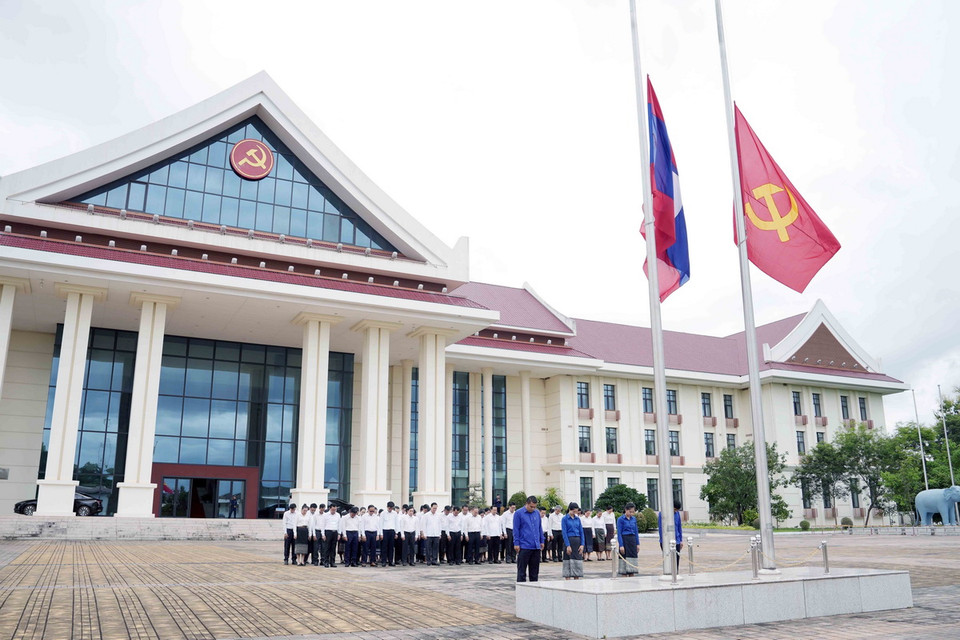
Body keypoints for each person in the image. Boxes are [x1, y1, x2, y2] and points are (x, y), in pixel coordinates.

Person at [513, 496, 544, 582]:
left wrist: (542, 540)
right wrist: (516, 543)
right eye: (531, 506)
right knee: (522, 572)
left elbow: (539, 527)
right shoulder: (519, 513)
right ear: (526, 504)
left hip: (535, 546)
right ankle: (521, 588)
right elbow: (516, 529)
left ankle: (533, 588)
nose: (533, 508)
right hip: (524, 546)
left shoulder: (537, 513)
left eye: (534, 507)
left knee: (534, 572)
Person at [561, 502, 585, 580]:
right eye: (574, 511)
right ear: (570, 510)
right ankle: (568, 581)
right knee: (567, 562)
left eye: (576, 511)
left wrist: (582, 544)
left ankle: (576, 581)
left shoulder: (578, 519)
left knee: (577, 562)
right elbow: (564, 533)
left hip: (577, 541)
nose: (575, 513)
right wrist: (568, 545)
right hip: (569, 540)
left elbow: (581, 532)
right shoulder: (564, 519)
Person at [658, 501, 684, 572]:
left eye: (677, 510)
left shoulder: (677, 514)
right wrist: (662, 541)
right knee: (668, 560)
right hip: (666, 540)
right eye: (675, 509)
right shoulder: (662, 514)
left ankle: (676, 574)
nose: (676, 511)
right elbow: (661, 528)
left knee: (676, 560)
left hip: (676, 540)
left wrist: (680, 540)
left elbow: (679, 527)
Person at [616, 502, 639, 577]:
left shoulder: (634, 519)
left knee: (632, 560)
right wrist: (621, 545)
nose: (631, 513)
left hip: (632, 540)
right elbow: (619, 533)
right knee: (624, 560)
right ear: (626, 510)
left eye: (633, 512)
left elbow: (636, 532)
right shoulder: (620, 519)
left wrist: (638, 544)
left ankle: (632, 575)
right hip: (625, 539)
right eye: (630, 511)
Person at [380, 501, 399, 567]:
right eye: (389, 508)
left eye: (391, 508)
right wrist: (381, 533)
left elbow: (396, 523)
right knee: (384, 547)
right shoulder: (383, 513)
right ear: (387, 507)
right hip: (385, 531)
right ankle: (384, 561)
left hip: (392, 531)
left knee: (391, 547)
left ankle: (390, 561)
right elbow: (380, 524)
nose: (390, 509)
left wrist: (396, 533)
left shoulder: (395, 513)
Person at [323, 504, 340, 568]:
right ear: (330, 508)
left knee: (333, 548)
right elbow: (323, 525)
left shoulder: (338, 515)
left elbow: (339, 524)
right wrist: (323, 534)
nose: (334, 511)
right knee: (327, 547)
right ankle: (326, 562)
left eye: (335, 509)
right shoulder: (326, 515)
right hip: (328, 531)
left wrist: (339, 533)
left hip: (335, 532)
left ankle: (332, 562)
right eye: (333, 509)